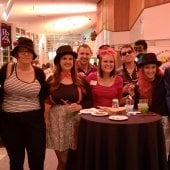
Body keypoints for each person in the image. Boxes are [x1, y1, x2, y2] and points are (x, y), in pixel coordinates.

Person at [0, 37, 47, 170]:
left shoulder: (39, 72)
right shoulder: (7, 69)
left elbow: (44, 94)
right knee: (15, 160)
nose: (26, 54)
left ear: (33, 54)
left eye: (29, 51)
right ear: (16, 54)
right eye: (22, 51)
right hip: (10, 120)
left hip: (35, 121)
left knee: (37, 159)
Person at [45, 45, 93, 170]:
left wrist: (80, 106)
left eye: (70, 59)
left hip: (75, 123)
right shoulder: (51, 80)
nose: (67, 61)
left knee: (74, 159)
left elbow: (90, 101)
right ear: (58, 61)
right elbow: (44, 101)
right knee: (63, 160)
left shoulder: (80, 81)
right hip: (56, 123)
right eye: (64, 58)